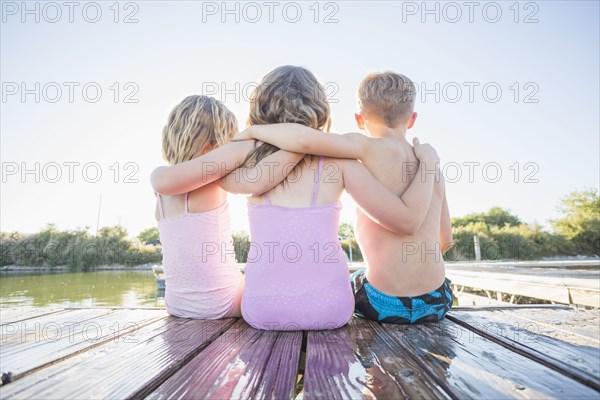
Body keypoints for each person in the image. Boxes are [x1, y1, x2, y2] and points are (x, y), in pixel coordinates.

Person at [236, 71, 453, 324]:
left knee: (355, 278)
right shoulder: (433, 169)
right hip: (437, 300)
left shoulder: (364, 147)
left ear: (359, 119)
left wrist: (256, 131)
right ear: (412, 119)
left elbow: (304, 142)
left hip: (384, 302)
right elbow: (445, 240)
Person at [151, 95, 303, 319]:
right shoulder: (216, 178)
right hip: (224, 304)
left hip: (176, 305)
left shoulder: (162, 184)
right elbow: (246, 158)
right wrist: (254, 136)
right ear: (215, 143)